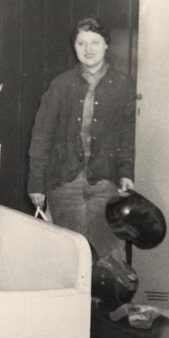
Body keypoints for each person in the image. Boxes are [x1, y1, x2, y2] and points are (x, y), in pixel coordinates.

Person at [28, 17, 135, 267]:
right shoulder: (60, 85)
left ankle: (107, 307)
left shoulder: (123, 86)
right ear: (74, 47)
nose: (88, 49)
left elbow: (127, 136)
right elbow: (41, 136)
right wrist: (36, 184)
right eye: (81, 43)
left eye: (95, 42)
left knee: (110, 257)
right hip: (65, 184)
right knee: (67, 257)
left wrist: (126, 172)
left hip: (106, 185)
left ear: (106, 45)